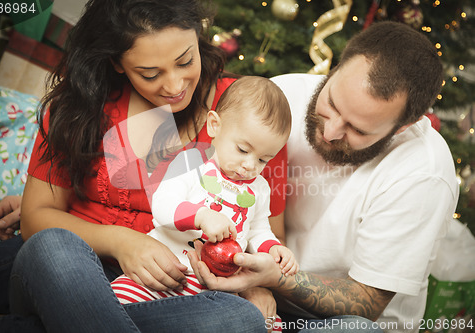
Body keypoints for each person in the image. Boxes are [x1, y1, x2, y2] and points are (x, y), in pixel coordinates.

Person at [0, 0, 288, 332]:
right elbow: (37, 217)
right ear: (118, 63)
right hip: (71, 264)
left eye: (185, 61)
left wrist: (259, 282)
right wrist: (122, 242)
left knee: (239, 319)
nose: (174, 85)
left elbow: (265, 232)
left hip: (173, 284)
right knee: (55, 246)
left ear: (199, 36)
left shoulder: (251, 117)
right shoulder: (82, 104)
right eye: (150, 74)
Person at [187, 21, 459, 333]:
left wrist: (275, 279)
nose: (329, 132)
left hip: (336, 321)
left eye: (357, 129)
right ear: (337, 67)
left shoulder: (424, 173)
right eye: (331, 103)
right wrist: (255, 288)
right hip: (251, 295)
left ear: (401, 128)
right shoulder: (282, 96)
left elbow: (368, 302)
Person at [111, 76, 298, 308]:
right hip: (163, 271)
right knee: (115, 300)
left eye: (263, 159)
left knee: (260, 321)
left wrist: (273, 248)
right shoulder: (192, 161)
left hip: (217, 287)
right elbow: (162, 205)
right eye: (242, 149)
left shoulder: (259, 187)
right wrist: (202, 216)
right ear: (214, 126)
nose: (250, 165)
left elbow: (258, 230)